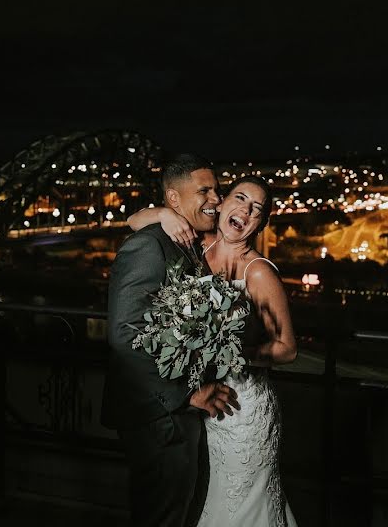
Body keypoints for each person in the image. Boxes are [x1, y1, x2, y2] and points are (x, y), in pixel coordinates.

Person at [127, 175, 298, 527]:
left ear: (261, 223)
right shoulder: (195, 246)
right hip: (202, 404)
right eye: (240, 198)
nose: (246, 211)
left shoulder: (259, 272)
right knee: (204, 499)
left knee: (239, 506)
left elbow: (287, 349)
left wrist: (227, 351)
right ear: (222, 204)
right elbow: (134, 221)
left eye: (257, 209)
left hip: (242, 410)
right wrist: (166, 214)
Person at [100, 153, 242, 527]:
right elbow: (123, 335)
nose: (215, 198)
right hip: (159, 416)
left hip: (175, 416)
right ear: (174, 200)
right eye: (205, 190)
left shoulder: (185, 240)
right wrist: (185, 392)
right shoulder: (148, 246)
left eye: (217, 189)